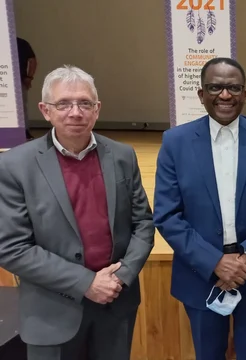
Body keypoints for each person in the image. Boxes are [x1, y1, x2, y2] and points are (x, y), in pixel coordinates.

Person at [0, 65, 155, 360]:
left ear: (97, 109)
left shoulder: (122, 156)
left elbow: (143, 224)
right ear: (46, 110)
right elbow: (11, 247)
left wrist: (120, 277)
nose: (75, 112)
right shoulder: (15, 166)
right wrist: (85, 283)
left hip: (115, 304)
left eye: (85, 103)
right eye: (64, 104)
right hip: (51, 312)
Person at [153, 57, 246, 360]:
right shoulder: (175, 142)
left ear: (245, 94)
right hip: (200, 275)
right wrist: (214, 261)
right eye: (215, 87)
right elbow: (166, 215)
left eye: (233, 88)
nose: (225, 95)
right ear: (202, 94)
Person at [17, 37, 37, 139]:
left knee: (21, 107)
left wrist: (29, 77)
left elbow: (32, 61)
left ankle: (24, 131)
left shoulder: (21, 43)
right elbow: (33, 61)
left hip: (19, 80)